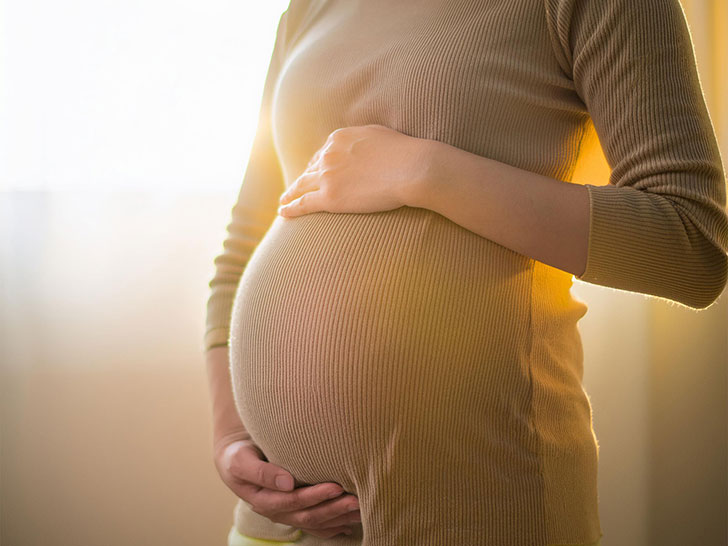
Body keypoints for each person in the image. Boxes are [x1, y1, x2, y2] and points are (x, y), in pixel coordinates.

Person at [204, 0, 728, 544]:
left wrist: (423, 171)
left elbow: (690, 245)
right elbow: (244, 242)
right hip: (276, 521)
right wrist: (230, 435)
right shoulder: (308, 9)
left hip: (475, 508)